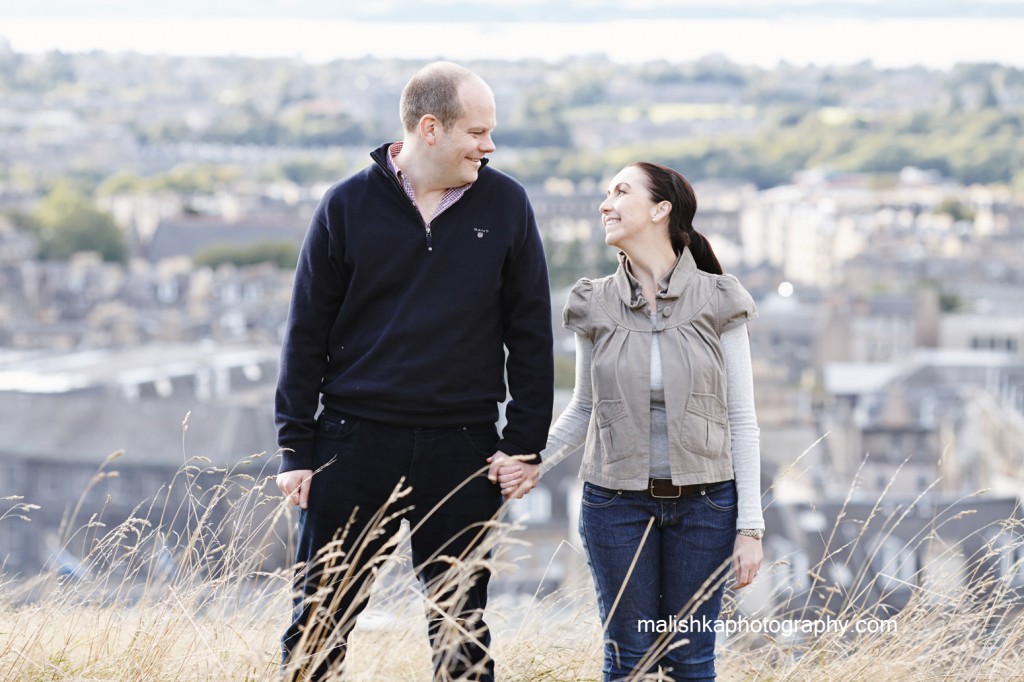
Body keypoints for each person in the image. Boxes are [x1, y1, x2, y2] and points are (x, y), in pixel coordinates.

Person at [274, 61, 554, 681]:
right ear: (431, 128)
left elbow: (531, 331)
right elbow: (305, 333)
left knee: (461, 628)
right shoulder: (346, 205)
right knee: (319, 621)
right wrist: (295, 446)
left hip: (463, 449)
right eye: (477, 132)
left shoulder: (507, 204)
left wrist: (524, 444)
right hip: (352, 443)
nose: (490, 146)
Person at [496, 162, 764, 680]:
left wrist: (749, 529)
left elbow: (742, 421)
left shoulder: (719, 298)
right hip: (615, 505)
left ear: (661, 210)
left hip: (707, 507)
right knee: (629, 662)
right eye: (606, 192)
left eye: (621, 192)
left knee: (690, 659)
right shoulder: (594, 302)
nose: (605, 204)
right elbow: (584, 409)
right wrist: (531, 461)